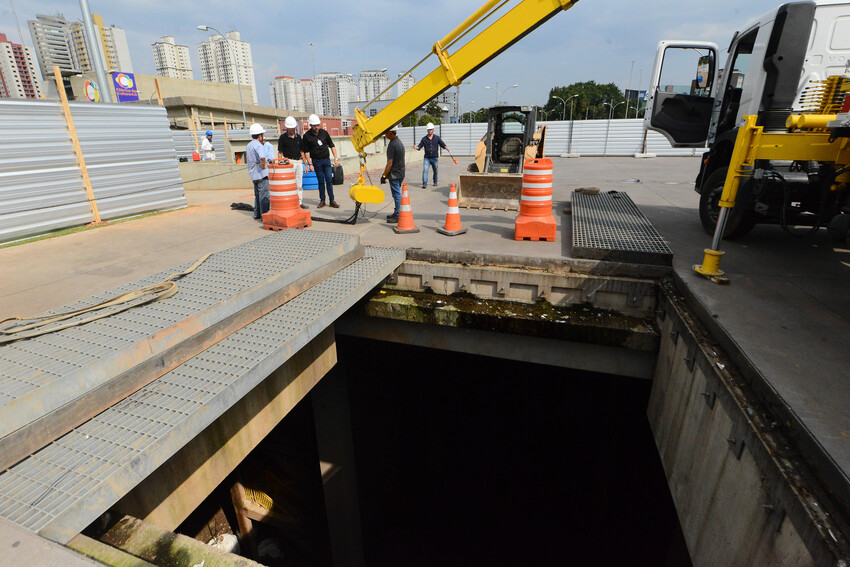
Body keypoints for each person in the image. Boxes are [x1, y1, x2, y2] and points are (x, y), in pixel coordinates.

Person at [301, 114, 340, 209]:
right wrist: (310, 164)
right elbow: (306, 151)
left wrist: (336, 158)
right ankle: (322, 200)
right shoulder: (307, 136)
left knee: (329, 181)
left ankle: (332, 200)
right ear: (311, 125)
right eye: (315, 126)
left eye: (318, 125)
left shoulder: (324, 133)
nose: (317, 127)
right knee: (321, 181)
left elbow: (332, 146)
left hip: (326, 160)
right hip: (316, 161)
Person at [278, 116, 308, 209]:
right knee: (290, 184)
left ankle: (299, 202)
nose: (292, 130)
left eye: (293, 128)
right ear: (287, 128)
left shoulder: (298, 138)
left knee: (299, 183)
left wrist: (305, 165)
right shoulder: (283, 138)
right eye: (290, 129)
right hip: (289, 162)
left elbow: (302, 152)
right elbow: (280, 153)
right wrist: (280, 164)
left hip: (298, 162)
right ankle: (291, 202)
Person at [381, 124, 405, 223]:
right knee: (397, 195)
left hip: (395, 174)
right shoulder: (399, 142)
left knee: (397, 195)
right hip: (400, 172)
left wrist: (384, 176)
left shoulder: (392, 145)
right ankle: (396, 213)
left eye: (386, 132)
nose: (385, 135)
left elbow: (389, 164)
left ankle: (398, 216)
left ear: (390, 133)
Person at [413, 122, 450, 188]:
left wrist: (446, 147)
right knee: (425, 171)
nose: (430, 131)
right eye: (428, 129)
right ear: (427, 130)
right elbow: (420, 146)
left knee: (435, 171)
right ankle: (424, 183)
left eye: (431, 129)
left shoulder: (437, 138)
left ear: (433, 130)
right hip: (427, 158)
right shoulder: (424, 139)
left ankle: (435, 181)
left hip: (435, 158)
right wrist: (416, 147)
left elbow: (442, 144)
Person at [246, 123, 270, 220]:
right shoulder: (259, 146)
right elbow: (262, 158)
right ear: (260, 136)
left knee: (257, 195)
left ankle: (257, 214)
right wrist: (264, 166)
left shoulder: (249, 145)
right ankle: (265, 216)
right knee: (264, 196)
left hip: (253, 175)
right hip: (261, 175)